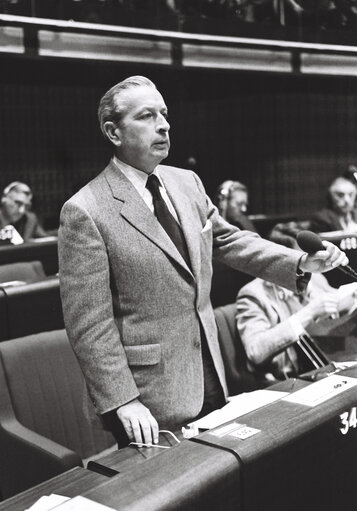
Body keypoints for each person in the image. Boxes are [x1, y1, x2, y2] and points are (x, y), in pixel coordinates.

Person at [58, 75, 347, 449]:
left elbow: (229, 240)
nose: (163, 124)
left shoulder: (186, 183)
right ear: (113, 132)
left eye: (164, 113)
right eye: (146, 116)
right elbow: (88, 325)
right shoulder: (86, 210)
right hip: (147, 394)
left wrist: (300, 264)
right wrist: (122, 400)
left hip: (209, 370)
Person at [236, 224, 357, 383]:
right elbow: (255, 351)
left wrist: (352, 299)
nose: (309, 267)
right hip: (290, 379)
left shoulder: (314, 278)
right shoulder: (253, 294)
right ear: (281, 259)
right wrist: (309, 312)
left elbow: (335, 305)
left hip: (327, 365)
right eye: (303, 262)